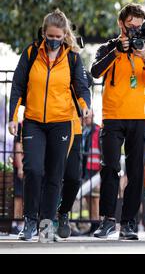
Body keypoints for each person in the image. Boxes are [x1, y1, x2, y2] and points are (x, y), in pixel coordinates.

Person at [8, 9, 91, 241]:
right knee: (33, 169)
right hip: (34, 121)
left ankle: (46, 223)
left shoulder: (73, 57)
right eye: (50, 36)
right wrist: (13, 117)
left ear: (65, 35)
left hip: (61, 123)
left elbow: (82, 86)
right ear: (44, 33)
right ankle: (30, 220)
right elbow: (17, 86)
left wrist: (85, 106)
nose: (54, 40)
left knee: (55, 175)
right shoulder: (31, 53)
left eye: (58, 36)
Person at [91, 3, 145, 240]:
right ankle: (107, 220)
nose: (134, 31)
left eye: (139, 27)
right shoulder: (107, 47)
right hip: (112, 116)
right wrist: (116, 52)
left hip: (140, 116)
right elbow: (95, 72)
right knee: (109, 168)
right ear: (121, 23)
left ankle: (128, 223)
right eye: (131, 26)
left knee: (136, 171)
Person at [55, 72, 93, 239]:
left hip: (73, 128)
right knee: (51, 176)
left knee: (73, 179)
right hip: (51, 124)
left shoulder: (74, 61)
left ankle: (63, 212)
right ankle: (42, 220)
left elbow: (89, 80)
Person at [82, 112, 101, 234]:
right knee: (87, 197)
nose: (86, 118)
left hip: (95, 169)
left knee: (94, 198)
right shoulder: (84, 131)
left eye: (88, 116)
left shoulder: (98, 130)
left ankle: (96, 224)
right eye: (84, 116)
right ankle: (92, 223)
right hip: (85, 169)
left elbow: (102, 150)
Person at [10, 122, 24, 235]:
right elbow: (18, 147)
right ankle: (16, 223)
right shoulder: (21, 126)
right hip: (23, 166)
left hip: (29, 165)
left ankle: (20, 223)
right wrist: (20, 167)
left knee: (24, 195)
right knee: (19, 196)